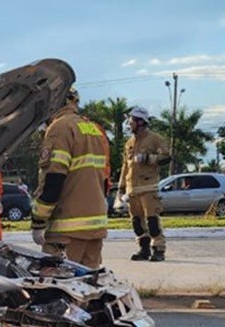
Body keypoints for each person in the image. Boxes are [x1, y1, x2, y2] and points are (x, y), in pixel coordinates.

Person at [30, 88, 108, 268]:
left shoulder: (59, 128)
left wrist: (39, 220)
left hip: (67, 231)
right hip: (95, 227)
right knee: (88, 287)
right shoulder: (92, 129)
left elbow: (54, 178)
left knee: (58, 287)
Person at [118, 106, 170, 261]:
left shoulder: (155, 139)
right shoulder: (129, 143)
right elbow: (125, 166)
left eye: (132, 120)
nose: (129, 123)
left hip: (148, 187)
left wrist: (148, 158)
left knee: (152, 221)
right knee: (137, 223)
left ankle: (159, 249)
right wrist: (121, 188)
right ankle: (144, 249)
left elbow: (166, 157)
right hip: (132, 189)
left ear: (141, 121)